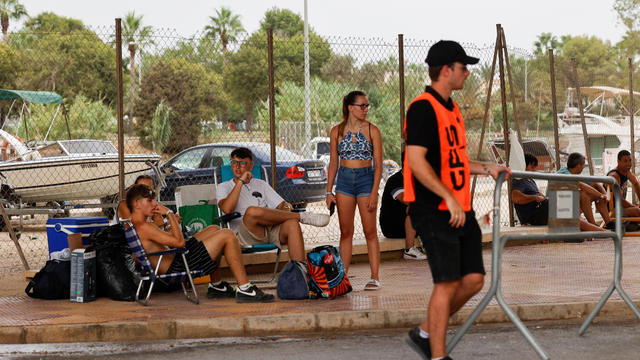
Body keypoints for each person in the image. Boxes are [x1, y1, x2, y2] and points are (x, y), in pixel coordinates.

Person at [403, 40, 509, 360]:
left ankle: (425, 332)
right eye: (464, 68)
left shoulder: (452, 108)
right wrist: (448, 198)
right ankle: (438, 355)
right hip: (435, 209)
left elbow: (454, 160)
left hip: (459, 207)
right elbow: (416, 161)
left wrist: (486, 167)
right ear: (446, 70)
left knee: (474, 280)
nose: (468, 73)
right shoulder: (423, 106)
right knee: (446, 283)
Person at [126, 184, 274, 303]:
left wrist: (163, 226)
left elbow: (163, 241)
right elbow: (179, 242)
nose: (154, 204)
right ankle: (245, 289)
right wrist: (169, 214)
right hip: (177, 266)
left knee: (213, 228)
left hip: (175, 259)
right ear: (137, 204)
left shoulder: (138, 225)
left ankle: (217, 287)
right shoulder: (145, 226)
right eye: (149, 201)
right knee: (227, 235)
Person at [217, 147, 330, 264]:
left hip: (269, 229)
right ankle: (302, 216)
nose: (237, 166)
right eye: (234, 162)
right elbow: (226, 209)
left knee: (292, 224)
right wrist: (240, 182)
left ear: (251, 166)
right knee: (252, 211)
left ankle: (299, 272)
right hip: (245, 234)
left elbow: (283, 205)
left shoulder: (261, 184)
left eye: (242, 163)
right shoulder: (224, 186)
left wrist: (285, 209)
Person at [325, 90, 384, 291]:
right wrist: (328, 191)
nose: (366, 109)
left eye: (367, 106)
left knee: (370, 231)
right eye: (362, 105)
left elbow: (379, 165)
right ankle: (343, 278)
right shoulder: (337, 131)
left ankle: (374, 277)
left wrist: (375, 191)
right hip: (344, 181)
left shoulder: (372, 130)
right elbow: (333, 163)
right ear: (350, 107)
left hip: (366, 180)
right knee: (346, 231)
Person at [512, 153, 610, 232]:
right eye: (532, 167)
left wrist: (541, 196)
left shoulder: (529, 180)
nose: (534, 170)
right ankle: (601, 231)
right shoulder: (519, 180)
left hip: (543, 208)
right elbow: (515, 197)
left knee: (574, 213)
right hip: (534, 215)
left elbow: (593, 183)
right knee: (574, 209)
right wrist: (534, 198)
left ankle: (600, 229)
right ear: (523, 166)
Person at [379, 154, 426, 260]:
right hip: (392, 226)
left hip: (410, 225)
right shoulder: (395, 180)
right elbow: (407, 199)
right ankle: (409, 250)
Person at [557, 152, 614, 229]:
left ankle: (609, 223)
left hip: (568, 202)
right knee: (583, 195)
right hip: (557, 206)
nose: (584, 167)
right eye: (583, 164)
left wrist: (604, 196)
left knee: (596, 195)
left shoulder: (574, 173)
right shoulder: (564, 173)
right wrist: (600, 195)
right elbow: (582, 186)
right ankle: (594, 226)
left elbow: (594, 183)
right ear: (578, 165)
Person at [606, 150, 640, 217]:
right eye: (625, 161)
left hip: (620, 207)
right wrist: (634, 206)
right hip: (611, 211)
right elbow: (620, 200)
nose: (629, 164)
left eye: (630, 160)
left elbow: (636, 184)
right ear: (618, 161)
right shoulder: (614, 176)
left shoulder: (627, 172)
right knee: (637, 211)